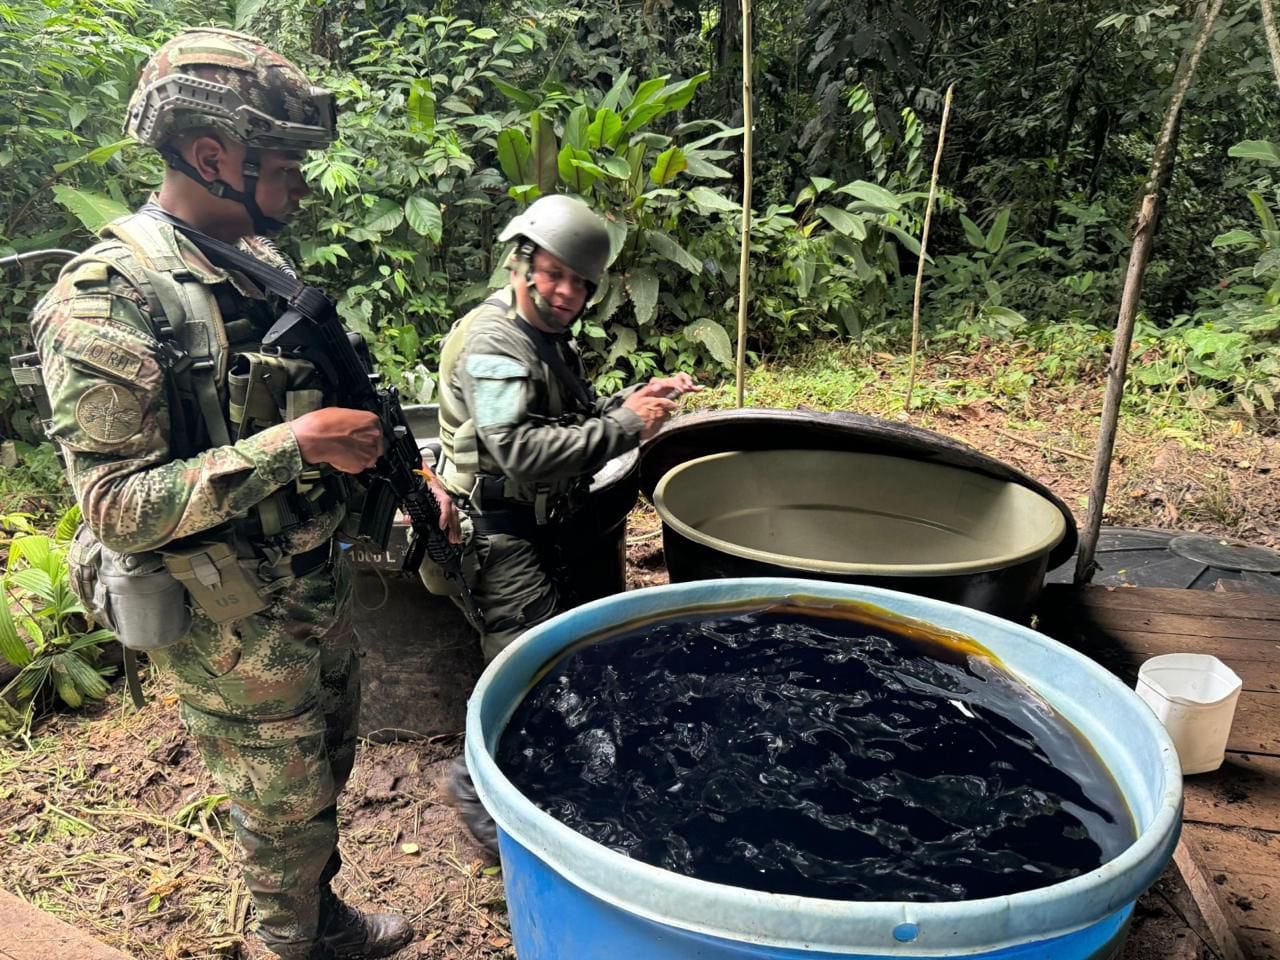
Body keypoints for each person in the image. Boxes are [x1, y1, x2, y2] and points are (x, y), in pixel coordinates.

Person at [29, 28, 455, 960]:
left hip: (310, 584)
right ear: (214, 155)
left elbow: (339, 397)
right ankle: (290, 942)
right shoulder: (107, 298)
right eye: (285, 161)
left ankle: (320, 918)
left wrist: (405, 470)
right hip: (230, 620)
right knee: (281, 811)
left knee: (329, 767)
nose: (301, 181)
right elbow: (114, 505)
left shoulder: (254, 263)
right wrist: (293, 445)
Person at [428, 194, 700, 851]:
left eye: (580, 282)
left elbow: (559, 419)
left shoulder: (543, 337)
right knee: (526, 671)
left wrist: (629, 402)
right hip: (501, 534)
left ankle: (543, 783)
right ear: (521, 263)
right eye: (553, 273)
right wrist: (624, 426)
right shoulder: (494, 340)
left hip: (542, 522)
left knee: (566, 660)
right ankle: (480, 798)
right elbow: (514, 448)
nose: (565, 291)